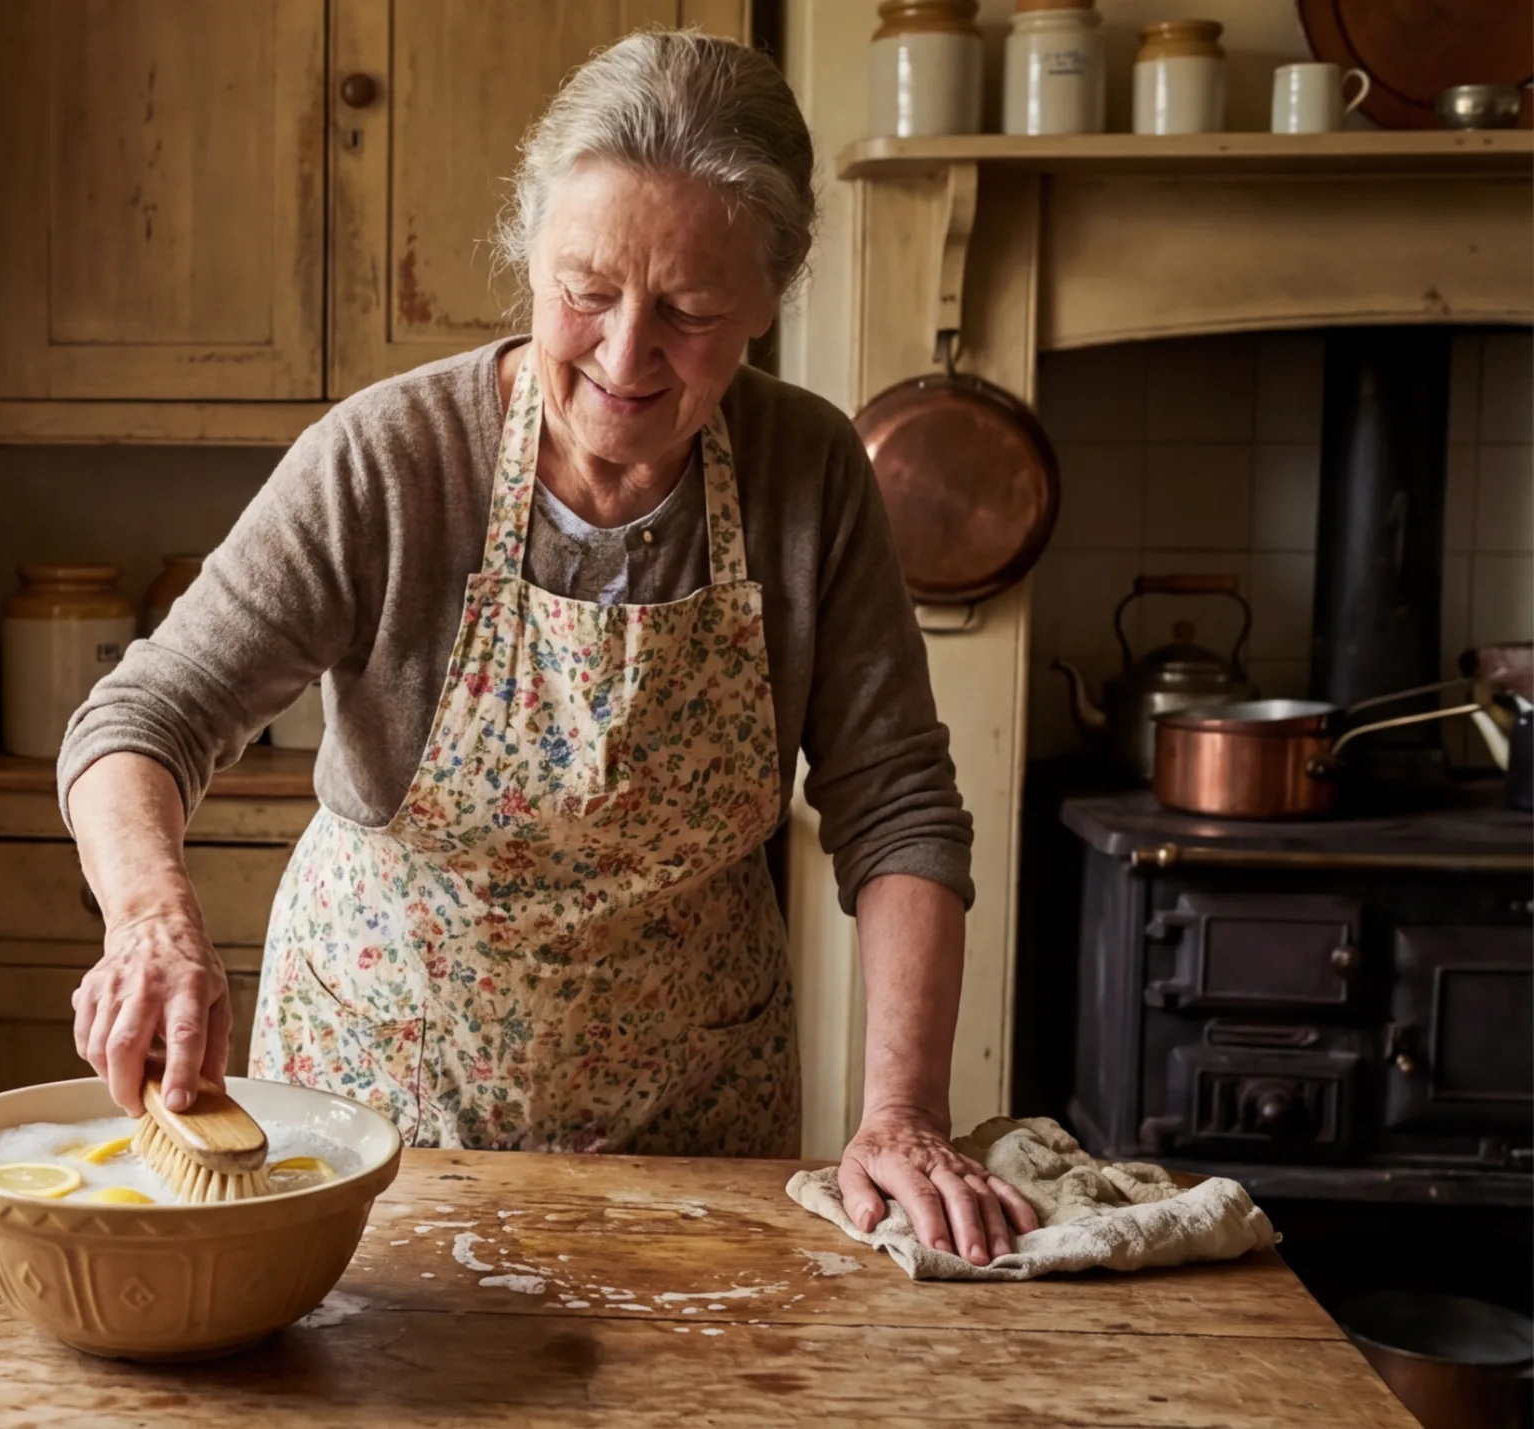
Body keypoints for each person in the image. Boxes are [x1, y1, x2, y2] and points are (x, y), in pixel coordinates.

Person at [56, 29, 1037, 1266]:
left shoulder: (812, 474)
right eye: (586, 290)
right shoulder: (390, 461)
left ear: (769, 299)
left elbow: (896, 806)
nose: (625, 357)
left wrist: (901, 1113)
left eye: (687, 311)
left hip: (696, 1121)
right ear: (528, 255)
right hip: (381, 1109)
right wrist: (151, 920)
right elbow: (139, 719)